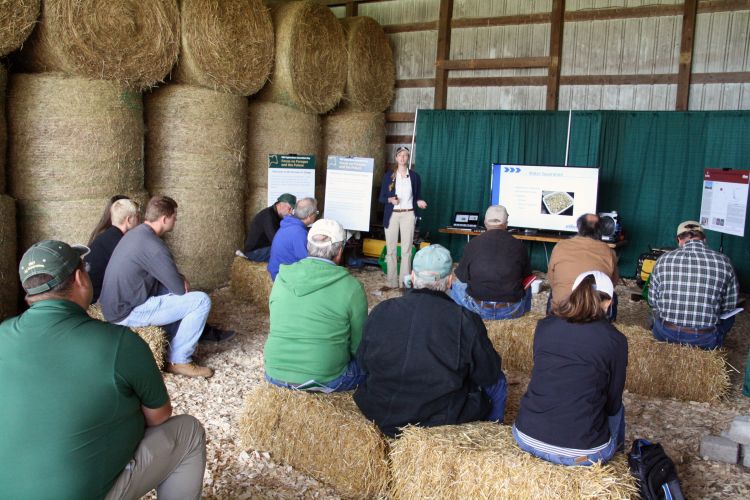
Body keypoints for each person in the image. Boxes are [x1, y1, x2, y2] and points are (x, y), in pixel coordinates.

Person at [0, 240, 206, 498]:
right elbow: (159, 416)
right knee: (188, 431)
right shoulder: (119, 342)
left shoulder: (3, 334)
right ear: (80, 278)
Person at [354, 244, 507, 437]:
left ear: (412, 276)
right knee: (499, 381)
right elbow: (487, 374)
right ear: (450, 281)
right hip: (438, 418)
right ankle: (492, 437)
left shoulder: (382, 309)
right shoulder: (465, 319)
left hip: (379, 409)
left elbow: (363, 363)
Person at [513, 271, 628, 466]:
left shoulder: (544, 325)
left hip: (526, 438)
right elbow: (613, 402)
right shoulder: (615, 340)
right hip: (582, 454)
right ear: (608, 303)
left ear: (574, 294)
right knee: (618, 411)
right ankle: (619, 460)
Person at [100, 196, 221, 378]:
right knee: (201, 301)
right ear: (165, 219)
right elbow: (180, 289)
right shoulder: (154, 246)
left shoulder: (136, 233)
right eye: (175, 217)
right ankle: (179, 360)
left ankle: (172, 342)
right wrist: (181, 279)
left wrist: (177, 279)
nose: (176, 221)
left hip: (113, 305)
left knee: (170, 290)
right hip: (125, 312)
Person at [264, 219, 367, 392]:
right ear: (340, 251)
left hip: (274, 373)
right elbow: (359, 344)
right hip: (328, 378)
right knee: (371, 367)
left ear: (309, 246)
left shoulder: (282, 277)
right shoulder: (351, 287)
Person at [649, 220, 739, 349]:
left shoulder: (663, 259)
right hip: (705, 339)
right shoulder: (724, 261)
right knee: (730, 317)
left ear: (679, 240)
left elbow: (652, 301)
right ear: (704, 239)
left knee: (654, 314)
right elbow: (729, 306)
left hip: (665, 333)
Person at [449, 205, 532, 320]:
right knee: (529, 286)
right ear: (506, 224)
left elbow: (463, 278)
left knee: (456, 286)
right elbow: (526, 277)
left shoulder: (472, 244)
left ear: (485, 223)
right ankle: (525, 312)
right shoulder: (519, 245)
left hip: (478, 309)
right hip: (512, 310)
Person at [547, 213, 620, 320]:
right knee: (614, 296)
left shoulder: (560, 246)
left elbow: (552, 279)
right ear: (601, 230)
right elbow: (612, 283)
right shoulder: (608, 251)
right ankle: (607, 325)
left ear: (579, 227)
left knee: (553, 294)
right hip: (594, 314)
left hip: (561, 310)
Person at [379, 146, 428, 289]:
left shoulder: (415, 177)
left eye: (405, 155)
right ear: (396, 158)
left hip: (408, 214)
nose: (402, 158)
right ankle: (392, 282)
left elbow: (417, 196)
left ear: (408, 158)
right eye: (400, 155)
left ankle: (404, 283)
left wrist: (419, 201)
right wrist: (390, 200)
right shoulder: (389, 176)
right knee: (391, 250)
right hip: (392, 215)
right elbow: (381, 197)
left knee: (406, 250)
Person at [85, 198, 140, 302]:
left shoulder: (107, 236)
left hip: (93, 291)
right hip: (98, 296)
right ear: (128, 220)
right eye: (137, 217)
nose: (140, 221)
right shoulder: (120, 243)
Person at [267, 197, 318, 281]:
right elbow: (306, 261)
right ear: (309, 216)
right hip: (283, 277)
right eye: (316, 212)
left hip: (278, 271)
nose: (316, 214)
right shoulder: (299, 232)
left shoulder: (289, 224)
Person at [239, 193, 297, 262]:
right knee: (287, 253)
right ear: (281, 204)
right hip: (255, 252)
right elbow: (276, 241)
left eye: (292, 209)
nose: (291, 212)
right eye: (289, 208)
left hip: (264, 248)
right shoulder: (268, 216)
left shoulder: (278, 216)